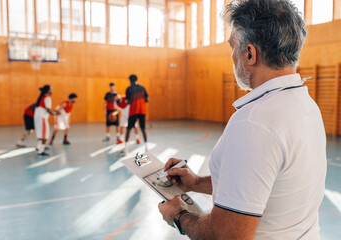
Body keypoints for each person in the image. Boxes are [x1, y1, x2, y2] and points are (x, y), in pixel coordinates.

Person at [158, 0, 327, 239]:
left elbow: (226, 235)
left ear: (249, 53)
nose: (231, 55)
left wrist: (180, 216)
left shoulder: (254, 123)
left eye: (232, 46)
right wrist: (195, 183)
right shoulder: (306, 106)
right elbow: (257, 186)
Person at [124, 74, 148, 154]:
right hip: (142, 111)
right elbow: (147, 99)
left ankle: (126, 148)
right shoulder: (142, 87)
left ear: (129, 80)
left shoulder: (128, 89)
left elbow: (127, 102)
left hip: (133, 111)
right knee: (143, 129)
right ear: (137, 79)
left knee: (128, 129)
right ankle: (146, 147)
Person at [34, 85, 58, 156]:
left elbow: (46, 109)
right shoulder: (47, 98)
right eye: (51, 89)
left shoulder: (41, 98)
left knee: (40, 134)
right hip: (42, 118)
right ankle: (41, 151)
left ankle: (38, 147)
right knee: (45, 135)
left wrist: (53, 112)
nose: (52, 91)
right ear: (48, 90)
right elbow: (48, 110)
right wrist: (54, 113)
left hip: (37, 118)